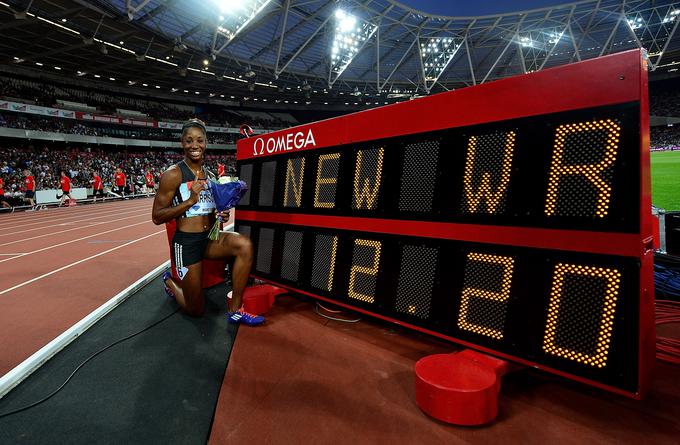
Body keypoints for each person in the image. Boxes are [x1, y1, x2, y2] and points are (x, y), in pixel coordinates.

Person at [151, 118, 262, 325]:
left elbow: (208, 213)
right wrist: (190, 200)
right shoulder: (173, 174)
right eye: (189, 141)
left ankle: (236, 309)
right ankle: (169, 281)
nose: (195, 146)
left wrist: (220, 215)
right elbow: (157, 216)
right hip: (186, 244)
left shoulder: (209, 175)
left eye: (199, 141)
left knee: (244, 245)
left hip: (208, 239)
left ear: (206, 143)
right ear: (182, 143)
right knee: (196, 310)